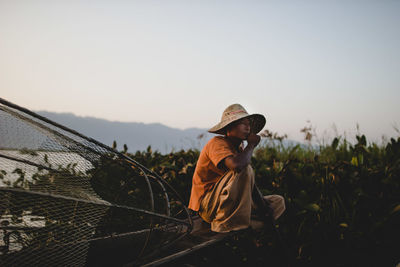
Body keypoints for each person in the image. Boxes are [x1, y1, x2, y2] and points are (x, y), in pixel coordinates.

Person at [188, 104, 285, 233]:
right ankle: (225, 224)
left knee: (278, 202)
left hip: (228, 202)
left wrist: (264, 207)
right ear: (229, 128)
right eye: (242, 123)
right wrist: (251, 145)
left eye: (248, 124)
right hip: (209, 206)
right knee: (245, 168)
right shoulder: (216, 143)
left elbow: (249, 185)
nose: (248, 127)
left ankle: (243, 223)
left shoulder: (238, 150)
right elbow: (237, 166)